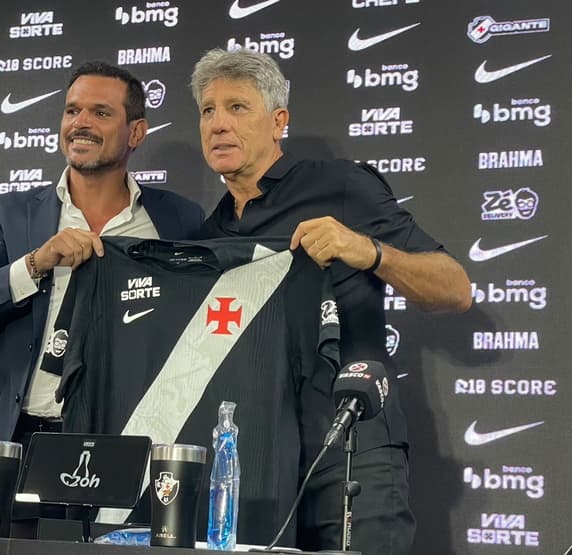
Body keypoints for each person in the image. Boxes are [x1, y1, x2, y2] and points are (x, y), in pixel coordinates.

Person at [190, 48, 472, 553]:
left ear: (278, 122)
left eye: (237, 108)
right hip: (256, 464)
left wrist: (369, 251)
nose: (218, 124)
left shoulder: (340, 186)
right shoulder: (209, 236)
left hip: (351, 448)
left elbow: (454, 288)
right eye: (208, 110)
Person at [0, 61, 205, 446]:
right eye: (72, 111)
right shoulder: (14, 213)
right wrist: (36, 263)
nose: (80, 123)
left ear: (136, 131)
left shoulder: (179, 219)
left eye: (100, 113)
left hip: (126, 440)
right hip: (17, 439)